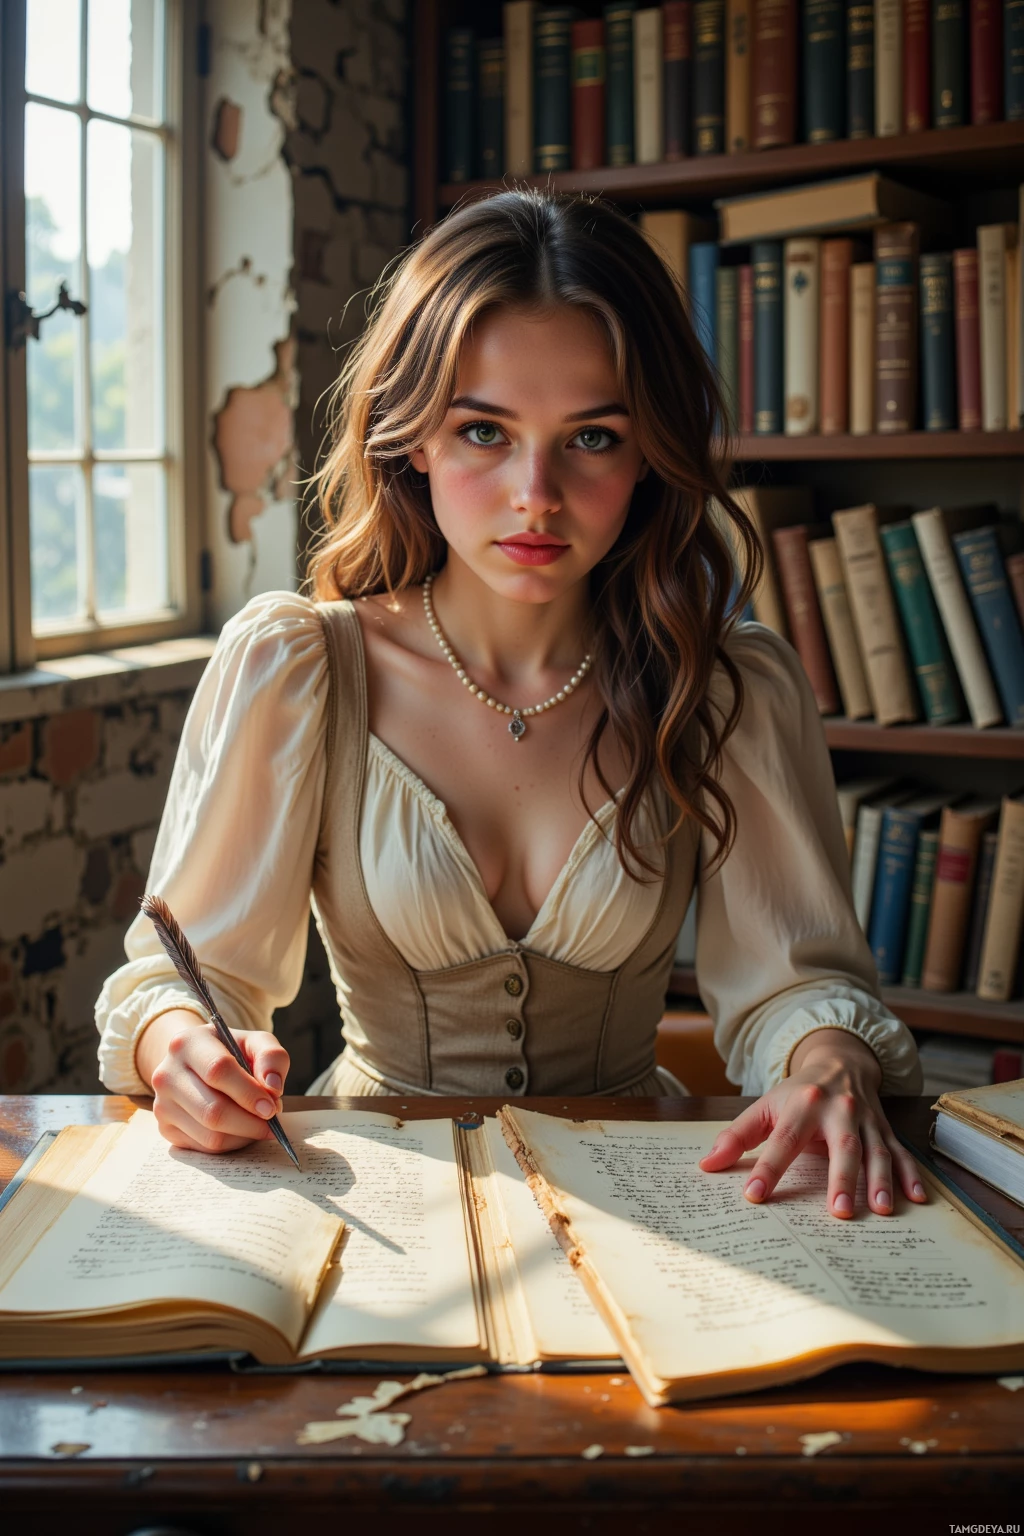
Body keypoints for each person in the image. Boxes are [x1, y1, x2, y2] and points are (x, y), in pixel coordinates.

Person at [95, 188, 925, 1220]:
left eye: (590, 439)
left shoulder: (722, 688)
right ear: (412, 439)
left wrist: (826, 1049)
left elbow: (791, 981)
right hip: (381, 1208)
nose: (536, 493)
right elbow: (186, 981)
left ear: (648, 455)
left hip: (658, 1206)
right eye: (484, 430)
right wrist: (177, 1048)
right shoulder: (297, 667)